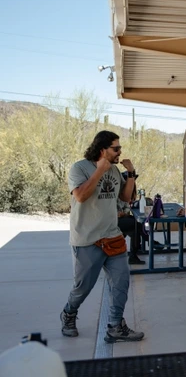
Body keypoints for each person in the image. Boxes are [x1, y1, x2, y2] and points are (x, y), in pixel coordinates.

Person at [60, 130, 144, 343]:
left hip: (112, 236)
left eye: (120, 148)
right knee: (83, 287)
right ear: (102, 149)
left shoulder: (115, 171)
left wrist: (131, 174)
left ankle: (116, 326)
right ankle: (69, 313)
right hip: (87, 239)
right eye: (116, 148)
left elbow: (124, 197)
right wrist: (99, 171)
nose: (119, 152)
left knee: (121, 282)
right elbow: (80, 196)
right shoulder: (79, 168)